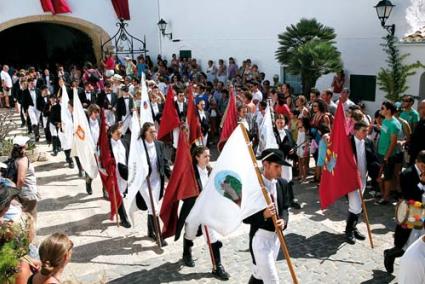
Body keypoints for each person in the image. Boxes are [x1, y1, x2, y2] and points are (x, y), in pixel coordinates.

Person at [175, 146, 230, 280]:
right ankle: (186, 253)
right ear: (197, 157)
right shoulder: (190, 173)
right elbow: (183, 192)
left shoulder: (211, 171)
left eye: (209, 156)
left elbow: (219, 188)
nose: (208, 158)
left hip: (207, 212)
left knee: (212, 237)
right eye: (205, 156)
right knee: (190, 233)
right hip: (193, 211)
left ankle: (218, 266)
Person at [244, 148, 290, 284]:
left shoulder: (282, 184)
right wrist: (263, 215)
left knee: (258, 274)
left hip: (276, 239)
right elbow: (245, 217)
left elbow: (285, 208)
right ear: (265, 164)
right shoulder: (254, 187)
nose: (280, 170)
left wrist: (284, 221)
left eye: (280, 166)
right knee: (272, 280)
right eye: (276, 166)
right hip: (260, 238)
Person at [384, 150, 425, 274]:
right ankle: (390, 254)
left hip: (423, 211)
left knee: (419, 243)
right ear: (417, 161)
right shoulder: (406, 174)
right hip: (412, 212)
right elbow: (409, 196)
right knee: (408, 245)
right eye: (423, 165)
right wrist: (422, 183)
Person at [345, 121, 380, 244]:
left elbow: (373, 159)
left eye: (367, 131)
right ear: (355, 131)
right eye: (363, 131)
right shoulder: (348, 142)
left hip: (363, 178)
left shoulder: (369, 142)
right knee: (355, 205)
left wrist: (377, 173)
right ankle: (349, 230)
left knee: (358, 205)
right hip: (350, 179)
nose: (366, 133)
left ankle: (353, 227)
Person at [138, 122, 171, 245]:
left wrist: (171, 178)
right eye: (151, 132)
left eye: (155, 131)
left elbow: (165, 162)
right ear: (145, 133)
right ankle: (159, 236)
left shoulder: (159, 144)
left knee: (152, 207)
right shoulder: (139, 146)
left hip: (157, 180)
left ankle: (150, 231)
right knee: (154, 208)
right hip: (144, 182)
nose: (154, 134)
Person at [9, 136, 39, 223]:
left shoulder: (13, 158)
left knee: (22, 218)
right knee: (30, 220)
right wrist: (16, 193)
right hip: (27, 194)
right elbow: (21, 179)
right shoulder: (23, 159)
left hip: (21, 193)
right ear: (24, 146)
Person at [376, 101, 402, 205]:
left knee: (387, 176)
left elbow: (393, 142)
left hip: (388, 155)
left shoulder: (394, 124)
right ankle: (384, 194)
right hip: (381, 152)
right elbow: (385, 131)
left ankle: (386, 198)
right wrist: (380, 126)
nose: (381, 109)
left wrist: (387, 156)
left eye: (383, 108)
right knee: (382, 175)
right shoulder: (386, 120)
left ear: (389, 110)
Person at [109, 123, 131, 228]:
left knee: (122, 192)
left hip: (124, 171)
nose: (119, 135)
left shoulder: (125, 142)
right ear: (111, 133)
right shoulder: (107, 145)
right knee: (118, 194)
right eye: (117, 133)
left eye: (120, 133)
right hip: (113, 173)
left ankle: (118, 208)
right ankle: (124, 218)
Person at [408, 99, 425, 165]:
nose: (419, 109)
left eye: (422, 107)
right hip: (414, 154)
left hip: (421, 157)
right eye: (420, 107)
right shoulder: (421, 120)